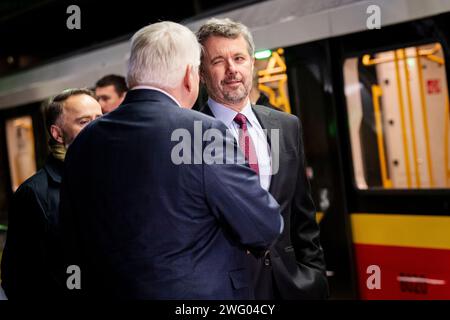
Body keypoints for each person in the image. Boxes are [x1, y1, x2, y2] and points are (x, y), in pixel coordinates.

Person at [59, 21, 282, 299]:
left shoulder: (84, 141)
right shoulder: (201, 132)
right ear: (190, 75)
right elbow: (263, 226)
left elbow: (71, 238)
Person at [197, 18, 329, 299]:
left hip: (291, 285)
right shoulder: (189, 133)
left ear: (252, 64)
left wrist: (313, 278)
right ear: (201, 72)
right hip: (226, 291)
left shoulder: (286, 125)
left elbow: (303, 216)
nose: (232, 69)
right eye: (218, 60)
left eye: (239, 58)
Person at [0, 88, 102, 299]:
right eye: (84, 122)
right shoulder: (34, 193)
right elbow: (16, 278)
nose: (96, 127)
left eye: (100, 118)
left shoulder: (112, 176)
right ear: (57, 133)